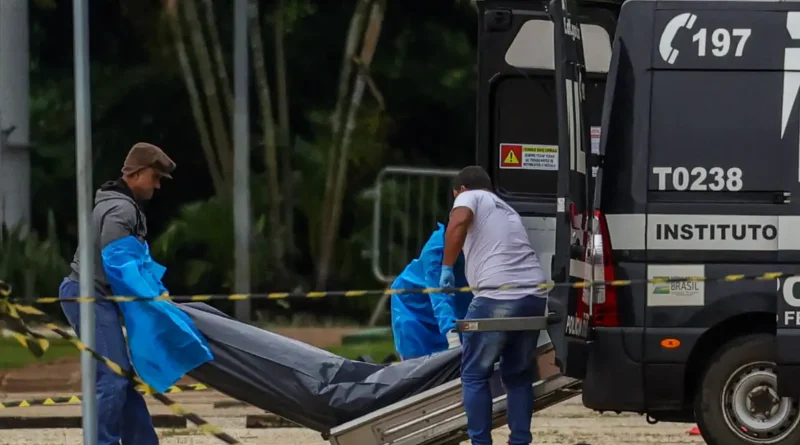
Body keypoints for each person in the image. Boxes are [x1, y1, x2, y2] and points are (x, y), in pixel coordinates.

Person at [58, 142, 176, 445]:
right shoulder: (120, 209)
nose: (158, 186)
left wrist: (157, 294)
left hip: (93, 294)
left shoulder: (120, 205)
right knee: (111, 378)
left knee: (121, 377)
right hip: (88, 295)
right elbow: (119, 262)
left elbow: (135, 264)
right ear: (136, 174)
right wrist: (149, 301)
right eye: (155, 177)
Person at [440, 165, 549, 445]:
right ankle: (520, 441)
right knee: (518, 375)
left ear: (461, 189)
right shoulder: (507, 208)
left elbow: (459, 222)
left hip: (497, 296)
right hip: (534, 297)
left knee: (475, 374)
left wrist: (447, 266)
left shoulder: (469, 197)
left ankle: (480, 443)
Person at [390, 222, 473, 360]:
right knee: (418, 368)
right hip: (414, 308)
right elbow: (438, 294)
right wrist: (452, 336)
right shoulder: (435, 249)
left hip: (457, 306)